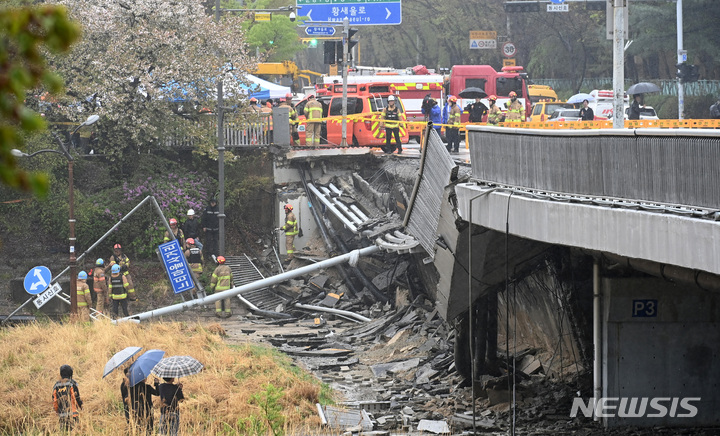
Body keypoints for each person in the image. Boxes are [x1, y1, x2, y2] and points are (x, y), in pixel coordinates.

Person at [121, 367, 159, 434]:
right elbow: (157, 393)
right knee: (148, 429)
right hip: (147, 411)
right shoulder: (147, 387)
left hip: (135, 410)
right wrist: (156, 384)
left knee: (138, 429)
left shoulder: (131, 388)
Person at [52, 364, 83, 431]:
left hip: (61, 416)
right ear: (70, 373)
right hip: (73, 415)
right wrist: (81, 407)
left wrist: (57, 411)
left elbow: (54, 401)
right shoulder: (72, 383)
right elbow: (76, 398)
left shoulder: (56, 385)